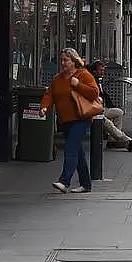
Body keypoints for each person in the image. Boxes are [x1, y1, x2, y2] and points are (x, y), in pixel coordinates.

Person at [40, 48, 100, 193]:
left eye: (66, 60)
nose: (63, 63)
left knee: (71, 148)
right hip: (65, 120)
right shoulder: (58, 79)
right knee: (78, 152)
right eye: (61, 60)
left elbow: (94, 93)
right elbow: (50, 94)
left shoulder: (83, 75)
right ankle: (86, 184)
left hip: (81, 118)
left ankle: (64, 181)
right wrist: (44, 107)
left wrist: (77, 84)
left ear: (74, 61)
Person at [88, 60, 132, 151]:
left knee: (118, 112)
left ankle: (112, 140)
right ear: (94, 71)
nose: (103, 73)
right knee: (108, 123)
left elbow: (104, 95)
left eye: (103, 70)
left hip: (101, 108)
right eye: (100, 71)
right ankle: (127, 140)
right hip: (94, 111)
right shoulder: (91, 82)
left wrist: (111, 106)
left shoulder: (98, 81)